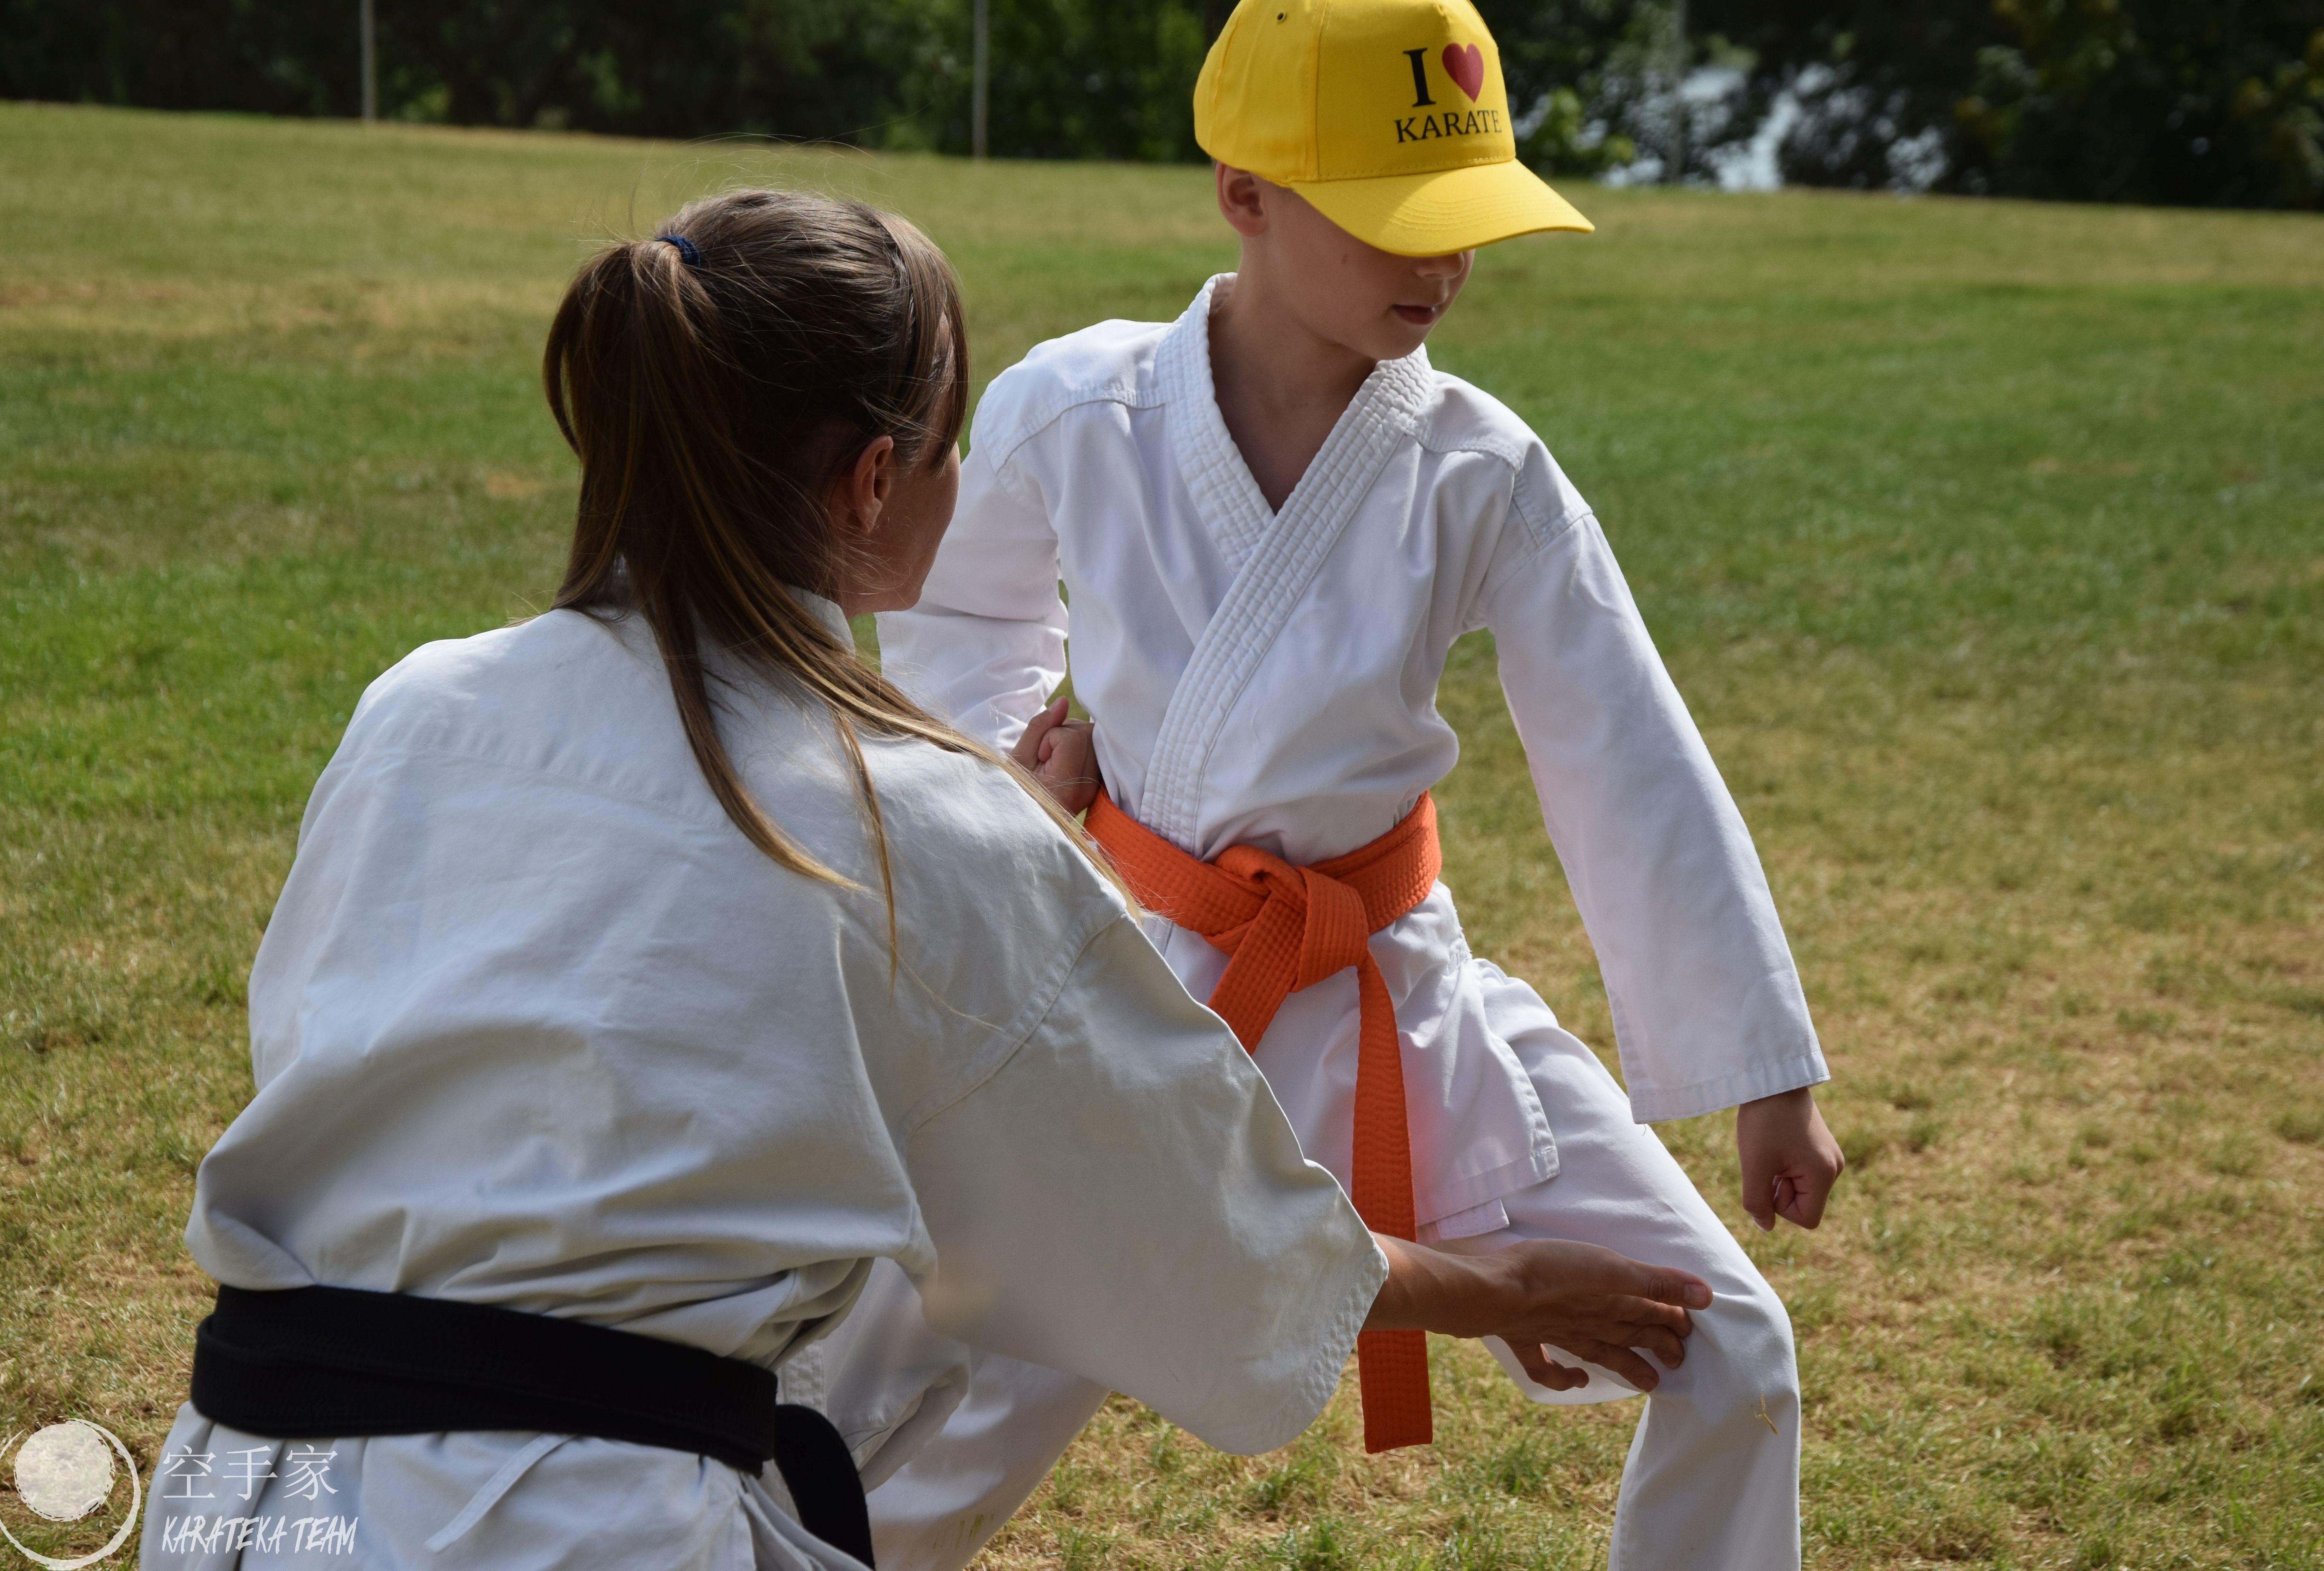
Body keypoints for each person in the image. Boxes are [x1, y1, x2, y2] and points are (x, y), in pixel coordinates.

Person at [138, 190, 1716, 1571]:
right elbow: (1199, 1233)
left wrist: (966, 850)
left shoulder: (420, 708)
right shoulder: (929, 835)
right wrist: (1498, 1283)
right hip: (575, 1526)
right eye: (953, 449)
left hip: (242, 1492)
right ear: (878, 484)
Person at [828, 0, 1848, 1571]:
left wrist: (1757, 1072)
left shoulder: (1478, 472)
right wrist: (1019, 764)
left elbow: (1623, 749)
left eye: (1468, 218)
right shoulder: (1077, 407)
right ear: (1242, 192)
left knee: (1726, 1339)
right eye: (1394, 211)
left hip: (1399, 1004)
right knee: (913, 1421)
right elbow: (960, 601)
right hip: (1129, 1000)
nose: (1442, 262)